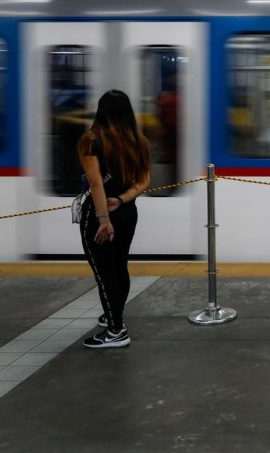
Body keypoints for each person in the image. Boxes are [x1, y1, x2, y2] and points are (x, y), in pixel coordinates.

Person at [77, 90, 151, 349]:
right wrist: (121, 200)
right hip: (128, 212)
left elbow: (96, 183)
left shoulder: (90, 140)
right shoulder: (137, 140)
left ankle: (116, 330)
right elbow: (144, 181)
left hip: (100, 215)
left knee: (104, 272)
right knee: (120, 267)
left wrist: (103, 218)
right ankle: (113, 313)